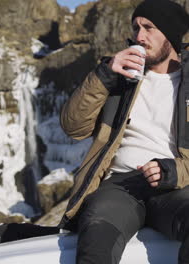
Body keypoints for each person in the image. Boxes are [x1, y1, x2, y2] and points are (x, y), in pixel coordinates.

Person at [59, 0, 189, 263]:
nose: (139, 37)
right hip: (119, 186)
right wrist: (105, 75)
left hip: (177, 185)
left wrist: (175, 170)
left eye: (148, 28)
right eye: (136, 28)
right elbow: (73, 127)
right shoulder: (118, 76)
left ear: (170, 34)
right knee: (95, 243)